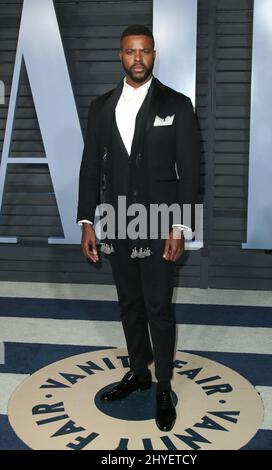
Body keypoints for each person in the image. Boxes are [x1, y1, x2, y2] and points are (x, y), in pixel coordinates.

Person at [77, 24, 200, 432]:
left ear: (154, 54)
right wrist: (87, 222)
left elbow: (190, 174)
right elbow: (91, 167)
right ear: (120, 56)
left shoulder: (178, 105)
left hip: (160, 223)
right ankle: (139, 372)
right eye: (131, 51)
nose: (138, 58)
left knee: (158, 307)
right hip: (114, 222)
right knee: (129, 304)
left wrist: (180, 227)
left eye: (145, 51)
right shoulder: (101, 107)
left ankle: (163, 386)